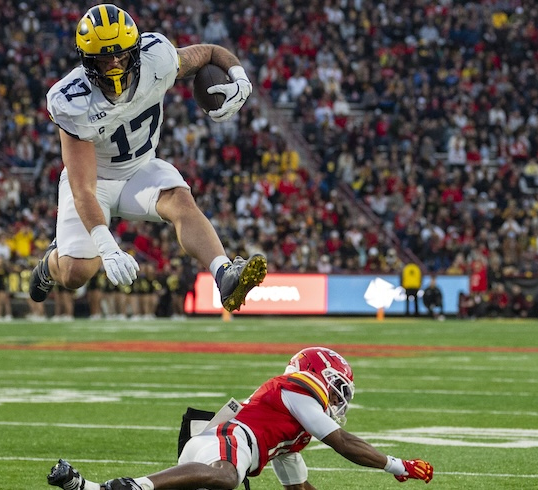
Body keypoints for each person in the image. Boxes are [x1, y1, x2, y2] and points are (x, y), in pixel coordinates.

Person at [28, 4, 267, 313]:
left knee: (181, 200)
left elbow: (209, 53)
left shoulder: (158, 58)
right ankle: (49, 266)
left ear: (136, 49)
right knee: (76, 273)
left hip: (141, 168)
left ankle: (224, 274)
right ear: (87, 60)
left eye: (121, 54)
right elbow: (83, 189)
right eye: (104, 57)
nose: (114, 63)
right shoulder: (73, 100)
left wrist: (240, 78)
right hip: (94, 181)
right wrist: (108, 249)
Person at [48, 347, 434, 490]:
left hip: (221, 450)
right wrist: (396, 466)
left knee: (229, 476)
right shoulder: (294, 391)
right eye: (334, 387)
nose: (336, 398)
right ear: (315, 376)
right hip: (226, 443)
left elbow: (298, 489)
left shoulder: (291, 434)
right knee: (229, 477)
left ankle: (88, 487)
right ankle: (129, 487)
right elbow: (344, 444)